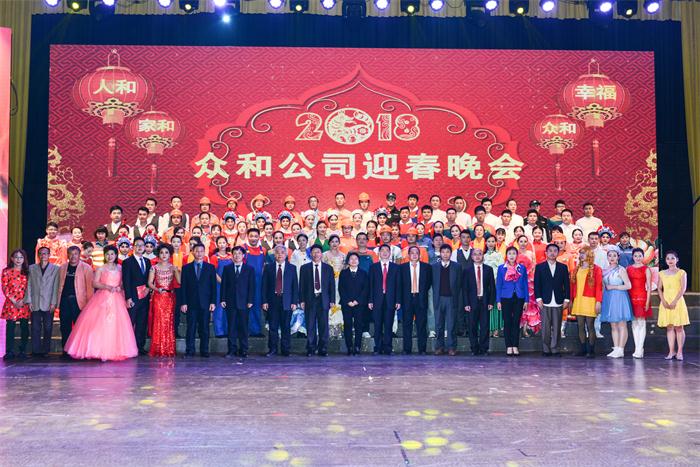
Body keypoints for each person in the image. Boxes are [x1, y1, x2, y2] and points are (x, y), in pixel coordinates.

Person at [63, 245, 138, 361]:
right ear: (104, 256)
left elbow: (124, 283)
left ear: (116, 255)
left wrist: (120, 287)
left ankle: (116, 350)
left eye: (112, 254)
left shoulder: (120, 268)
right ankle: (97, 350)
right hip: (102, 298)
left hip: (117, 299)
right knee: (100, 323)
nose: (110, 256)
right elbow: (94, 283)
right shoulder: (101, 269)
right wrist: (107, 287)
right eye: (107, 254)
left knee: (116, 325)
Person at [180, 243, 217, 358]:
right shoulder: (186, 268)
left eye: (201, 251)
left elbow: (213, 286)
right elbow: (183, 287)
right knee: (191, 328)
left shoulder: (210, 268)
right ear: (192, 252)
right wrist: (183, 302)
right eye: (197, 251)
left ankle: (204, 350)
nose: (199, 253)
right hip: (191, 303)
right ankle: (189, 350)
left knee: (204, 328)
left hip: (205, 303)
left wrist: (213, 302)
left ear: (204, 252)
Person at [262, 245, 299, 357]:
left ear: (286, 254)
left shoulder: (292, 268)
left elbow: (295, 286)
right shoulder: (268, 267)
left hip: (287, 300)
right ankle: (272, 349)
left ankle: (285, 349)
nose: (280, 254)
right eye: (277, 252)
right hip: (272, 300)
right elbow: (264, 286)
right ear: (274, 255)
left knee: (285, 326)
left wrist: (294, 302)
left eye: (282, 252)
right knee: (273, 326)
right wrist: (264, 301)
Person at [534, 243, 571, 356]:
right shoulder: (540, 267)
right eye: (550, 251)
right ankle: (546, 349)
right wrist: (538, 298)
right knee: (545, 327)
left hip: (558, 301)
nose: (552, 253)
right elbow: (537, 284)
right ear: (546, 253)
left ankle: (555, 349)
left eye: (555, 251)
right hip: (545, 301)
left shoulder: (563, 267)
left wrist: (567, 299)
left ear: (558, 253)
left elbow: (567, 285)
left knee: (557, 327)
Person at [57, 246, 94, 355]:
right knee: (65, 327)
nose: (73, 256)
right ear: (67, 255)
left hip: (79, 302)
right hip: (64, 301)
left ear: (79, 254)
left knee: (80, 328)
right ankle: (66, 350)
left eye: (75, 254)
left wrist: (89, 304)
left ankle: (79, 351)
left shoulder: (86, 268)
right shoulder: (62, 268)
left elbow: (90, 288)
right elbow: (59, 285)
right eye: (71, 254)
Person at [299, 245, 335, 357]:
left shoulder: (328, 268)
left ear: (321, 254)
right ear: (310, 254)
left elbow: (331, 285)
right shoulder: (304, 268)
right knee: (310, 325)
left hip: (323, 299)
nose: (316, 254)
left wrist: (332, 300)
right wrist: (302, 300)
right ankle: (311, 348)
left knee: (323, 325)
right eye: (314, 252)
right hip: (310, 299)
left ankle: (323, 348)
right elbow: (302, 286)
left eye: (318, 252)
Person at [220, 246, 256, 358]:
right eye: (235, 253)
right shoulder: (227, 268)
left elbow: (252, 286)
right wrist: (222, 299)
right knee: (231, 327)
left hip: (244, 302)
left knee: (243, 327)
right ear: (232, 255)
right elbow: (223, 285)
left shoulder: (249, 269)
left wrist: (250, 300)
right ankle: (232, 350)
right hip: (230, 302)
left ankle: (244, 350)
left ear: (243, 255)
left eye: (239, 253)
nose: (237, 255)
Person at [368, 244, 401, 355]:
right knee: (377, 324)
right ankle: (377, 347)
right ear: (379, 253)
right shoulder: (373, 267)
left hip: (391, 300)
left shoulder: (396, 267)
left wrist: (398, 300)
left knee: (388, 324)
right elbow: (370, 285)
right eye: (382, 250)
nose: (385, 252)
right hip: (377, 299)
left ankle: (388, 347)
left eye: (387, 250)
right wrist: (370, 300)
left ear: (390, 253)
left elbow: (398, 285)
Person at [148, 244, 180, 357]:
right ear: (158, 254)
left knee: (168, 322)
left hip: (170, 298)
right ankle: (158, 348)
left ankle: (168, 349)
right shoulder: (154, 268)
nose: (164, 255)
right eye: (161, 252)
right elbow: (149, 283)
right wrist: (157, 289)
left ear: (170, 254)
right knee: (158, 322)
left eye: (166, 252)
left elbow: (180, 282)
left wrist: (177, 271)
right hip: (158, 297)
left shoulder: (173, 267)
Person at [570, 246, 603, 358]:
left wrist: (598, 301)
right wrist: (571, 300)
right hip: (578, 300)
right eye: (580, 253)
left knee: (590, 325)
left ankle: (591, 350)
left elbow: (599, 287)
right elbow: (572, 286)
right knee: (580, 326)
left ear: (589, 254)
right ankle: (583, 349)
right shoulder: (576, 269)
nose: (581, 255)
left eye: (583, 253)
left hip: (590, 300)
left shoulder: (597, 269)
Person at [27, 247, 60, 357]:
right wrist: (29, 301)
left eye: (45, 253)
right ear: (38, 255)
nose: (43, 255)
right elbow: (29, 285)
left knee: (48, 327)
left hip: (48, 302)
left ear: (49, 255)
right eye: (41, 253)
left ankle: (45, 350)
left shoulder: (55, 269)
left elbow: (56, 286)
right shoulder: (32, 268)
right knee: (35, 327)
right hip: (35, 302)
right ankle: (36, 350)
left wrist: (54, 302)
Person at [600, 249, 633, 358]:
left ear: (618, 257)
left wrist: (613, 287)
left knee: (621, 324)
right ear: (607, 257)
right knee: (613, 325)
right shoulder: (604, 271)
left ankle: (621, 349)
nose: (612, 258)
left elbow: (628, 285)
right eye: (610, 255)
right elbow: (603, 286)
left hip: (619, 297)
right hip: (608, 298)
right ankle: (616, 348)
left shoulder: (621, 269)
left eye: (614, 255)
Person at [398, 246, 432, 355]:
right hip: (407, 299)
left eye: (416, 252)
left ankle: (422, 349)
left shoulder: (427, 267)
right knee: (407, 324)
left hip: (420, 298)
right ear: (408, 255)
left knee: (421, 325)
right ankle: (407, 349)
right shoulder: (402, 268)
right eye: (412, 253)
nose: (414, 255)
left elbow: (428, 283)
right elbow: (400, 285)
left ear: (420, 255)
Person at [496, 247, 529, 356]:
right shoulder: (501, 268)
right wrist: (498, 300)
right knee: (507, 322)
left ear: (517, 255)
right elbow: (499, 285)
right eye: (509, 253)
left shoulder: (521, 268)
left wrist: (526, 300)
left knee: (516, 322)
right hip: (505, 297)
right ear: (506, 255)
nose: (511, 256)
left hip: (519, 297)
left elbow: (525, 284)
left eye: (514, 253)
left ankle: (515, 345)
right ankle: (508, 346)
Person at [656, 251, 689, 361]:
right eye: (668, 258)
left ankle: (679, 352)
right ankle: (671, 351)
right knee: (669, 327)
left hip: (678, 301)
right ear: (665, 260)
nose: (670, 260)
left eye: (672, 258)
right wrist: (663, 300)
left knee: (679, 327)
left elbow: (683, 288)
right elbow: (659, 288)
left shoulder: (681, 272)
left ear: (677, 260)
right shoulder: (662, 273)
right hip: (665, 301)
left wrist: (675, 301)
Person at [122, 237, 151, 355]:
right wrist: (128, 298)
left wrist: (148, 288)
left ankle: (140, 346)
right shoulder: (127, 262)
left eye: (142, 245)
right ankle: (127, 346)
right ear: (133, 247)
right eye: (137, 245)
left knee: (142, 322)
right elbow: (126, 281)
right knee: (130, 322)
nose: (140, 247)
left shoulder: (147, 261)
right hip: (133, 297)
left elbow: (149, 279)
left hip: (145, 297)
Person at [463, 248, 496, 355]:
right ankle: (474, 348)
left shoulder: (488, 269)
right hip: (472, 302)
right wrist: (466, 303)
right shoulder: (467, 270)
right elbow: (465, 289)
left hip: (485, 301)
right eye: (475, 254)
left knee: (485, 326)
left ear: (483, 256)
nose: (477, 256)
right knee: (472, 326)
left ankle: (484, 348)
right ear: (472, 257)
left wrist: (491, 302)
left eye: (480, 254)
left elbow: (492, 287)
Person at [432, 244, 462, 356]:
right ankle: (439, 347)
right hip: (438, 298)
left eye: (447, 252)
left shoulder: (457, 267)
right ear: (440, 253)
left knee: (451, 325)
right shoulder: (434, 267)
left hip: (451, 299)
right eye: (443, 252)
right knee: (438, 324)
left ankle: (451, 347)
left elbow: (459, 284)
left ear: (450, 253)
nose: (445, 254)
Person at [338, 252, 369, 355]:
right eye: (351, 259)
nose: (354, 261)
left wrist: (357, 301)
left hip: (359, 304)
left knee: (359, 325)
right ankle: (349, 347)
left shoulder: (363, 273)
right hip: (346, 304)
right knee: (347, 325)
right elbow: (341, 288)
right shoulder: (343, 273)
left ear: (359, 261)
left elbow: (365, 289)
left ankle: (357, 346)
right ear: (348, 261)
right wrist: (348, 301)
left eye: (356, 259)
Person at [2, 250, 30, 359]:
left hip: (24, 303)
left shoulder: (27, 272)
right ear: (12, 259)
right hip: (11, 303)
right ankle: (9, 351)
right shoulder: (6, 271)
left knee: (24, 327)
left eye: (21, 257)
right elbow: (5, 287)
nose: (18, 259)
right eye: (16, 257)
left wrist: (23, 300)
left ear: (24, 259)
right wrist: (14, 301)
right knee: (10, 327)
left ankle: (23, 350)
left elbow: (30, 288)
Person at [627, 248, 652, 358]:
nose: (637, 258)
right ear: (632, 257)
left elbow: (649, 287)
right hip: (631, 297)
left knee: (641, 322)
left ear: (643, 257)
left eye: (640, 256)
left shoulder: (646, 269)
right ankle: (637, 348)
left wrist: (647, 301)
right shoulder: (628, 269)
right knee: (634, 323)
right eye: (635, 256)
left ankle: (640, 348)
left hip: (642, 297)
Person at [322, 235, 346, 338]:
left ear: (339, 243)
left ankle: (339, 331)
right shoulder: (324, 255)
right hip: (328, 282)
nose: (334, 244)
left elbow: (345, 269)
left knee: (339, 304)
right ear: (329, 243)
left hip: (341, 282)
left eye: (336, 241)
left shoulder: (344, 255)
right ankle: (328, 330)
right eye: (332, 242)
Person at [243, 228, 265, 338]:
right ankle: (244, 330)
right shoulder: (243, 248)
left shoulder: (263, 250)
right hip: (245, 282)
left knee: (256, 305)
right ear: (247, 236)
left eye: (256, 236)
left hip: (259, 282)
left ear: (259, 237)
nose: (253, 238)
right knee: (244, 306)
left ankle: (256, 331)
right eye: (251, 236)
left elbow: (264, 266)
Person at [210, 237, 233, 338]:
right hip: (219, 285)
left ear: (227, 244)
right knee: (219, 308)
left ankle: (228, 330)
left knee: (229, 307)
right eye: (220, 243)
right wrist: (223, 282)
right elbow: (213, 272)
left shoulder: (231, 256)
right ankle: (219, 331)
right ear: (217, 244)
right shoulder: (214, 257)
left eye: (224, 242)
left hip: (230, 286)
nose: (222, 244)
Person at [483, 236, 504, 337]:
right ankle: (488, 328)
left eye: (492, 241)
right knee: (487, 305)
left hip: (496, 283)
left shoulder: (499, 255)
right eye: (489, 241)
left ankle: (496, 328)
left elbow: (502, 270)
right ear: (485, 243)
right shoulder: (483, 256)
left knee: (496, 305)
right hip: (486, 284)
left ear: (496, 243)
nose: (491, 243)